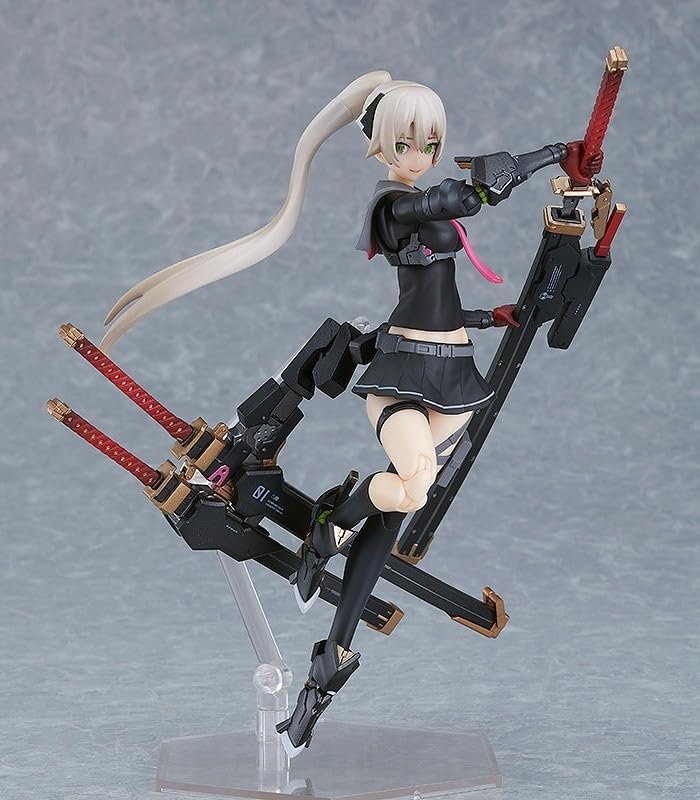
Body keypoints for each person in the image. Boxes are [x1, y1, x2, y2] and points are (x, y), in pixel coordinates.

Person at [100, 72, 573, 755]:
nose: (420, 153)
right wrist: (545, 156)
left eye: (430, 142)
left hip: (453, 371)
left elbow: (434, 291)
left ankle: (327, 669)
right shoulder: (391, 204)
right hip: (403, 374)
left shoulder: (421, 206)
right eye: (407, 143)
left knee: (394, 514)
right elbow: (453, 199)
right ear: (380, 146)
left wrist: (485, 318)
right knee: (411, 485)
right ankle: (330, 522)